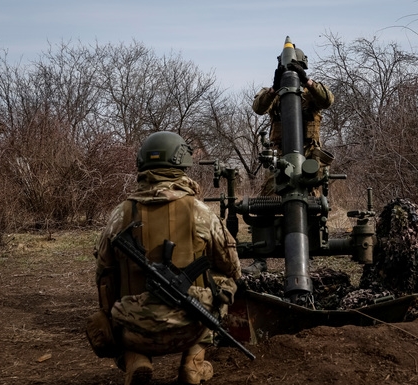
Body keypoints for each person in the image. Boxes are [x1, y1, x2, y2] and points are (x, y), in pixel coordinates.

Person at [86, 131, 241, 385]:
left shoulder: (121, 214)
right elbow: (232, 267)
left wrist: (112, 312)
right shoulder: (201, 212)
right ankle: (193, 363)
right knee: (226, 281)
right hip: (193, 326)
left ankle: (136, 360)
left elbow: (103, 274)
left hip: (133, 331)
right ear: (182, 163)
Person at [243, 46, 335, 276]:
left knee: (312, 206)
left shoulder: (310, 94)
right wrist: (275, 87)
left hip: (308, 157)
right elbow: (258, 107)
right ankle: (260, 259)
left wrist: (307, 82)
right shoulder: (276, 94)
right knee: (264, 204)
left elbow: (327, 100)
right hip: (280, 158)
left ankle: (308, 256)